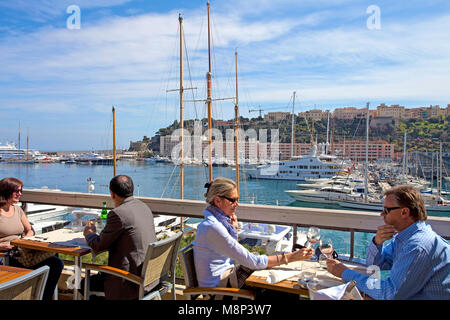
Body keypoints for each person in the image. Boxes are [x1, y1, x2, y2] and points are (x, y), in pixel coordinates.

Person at [326, 185, 450, 300]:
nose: (381, 214)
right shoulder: (405, 238)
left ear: (404, 212)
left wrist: (344, 273)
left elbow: (389, 293)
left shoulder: (417, 246)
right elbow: (376, 266)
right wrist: (377, 243)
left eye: (386, 210)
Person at [194, 177, 314, 289]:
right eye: (233, 200)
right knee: (283, 290)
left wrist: (233, 230)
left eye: (237, 199)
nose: (237, 204)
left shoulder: (216, 222)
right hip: (219, 290)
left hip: (224, 278)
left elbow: (232, 253)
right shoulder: (214, 227)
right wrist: (291, 257)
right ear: (217, 201)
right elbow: (253, 261)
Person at [83, 175, 157, 300]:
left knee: (83, 284)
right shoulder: (143, 207)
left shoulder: (118, 214)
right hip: (151, 277)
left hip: (129, 281)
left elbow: (99, 246)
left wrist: (89, 233)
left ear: (112, 194)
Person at [0, 177, 64, 300]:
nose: (20, 194)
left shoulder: (17, 209)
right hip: (7, 254)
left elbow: (29, 229)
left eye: (21, 191)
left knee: (54, 259)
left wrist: (26, 238)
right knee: (55, 263)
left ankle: (42, 296)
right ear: (6, 191)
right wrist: (2, 246)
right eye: (17, 191)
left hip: (21, 250)